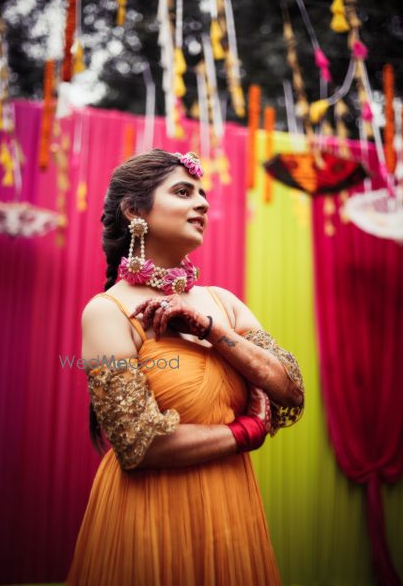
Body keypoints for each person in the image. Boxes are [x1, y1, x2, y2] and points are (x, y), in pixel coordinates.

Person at [66, 149, 304, 586]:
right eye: (184, 192)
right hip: (151, 518)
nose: (204, 204)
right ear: (135, 210)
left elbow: (290, 391)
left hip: (233, 511)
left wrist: (213, 332)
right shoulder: (108, 311)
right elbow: (140, 446)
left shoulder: (222, 303)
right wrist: (246, 431)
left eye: (203, 195)